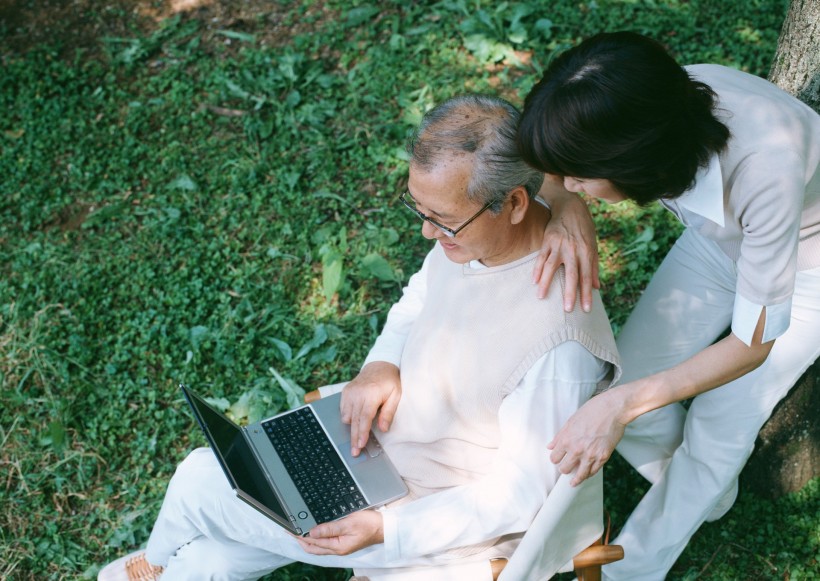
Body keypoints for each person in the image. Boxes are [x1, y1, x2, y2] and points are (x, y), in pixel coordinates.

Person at [98, 94, 621, 581]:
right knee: (212, 554)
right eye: (420, 211)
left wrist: (387, 532)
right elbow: (419, 298)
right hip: (371, 457)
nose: (427, 234)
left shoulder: (558, 343)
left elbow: (521, 493)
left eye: (442, 221)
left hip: (426, 515)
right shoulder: (472, 238)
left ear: (512, 203)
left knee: (199, 481)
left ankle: (152, 566)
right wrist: (381, 364)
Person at [516, 31, 820, 580]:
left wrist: (622, 408)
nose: (564, 184)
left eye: (578, 177)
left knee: (717, 425)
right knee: (621, 382)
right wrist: (565, 206)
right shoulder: (654, 100)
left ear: (634, 164)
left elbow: (753, 346)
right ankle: (706, 490)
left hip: (808, 268)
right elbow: (550, 171)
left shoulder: (765, 170)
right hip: (717, 238)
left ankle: (630, 568)